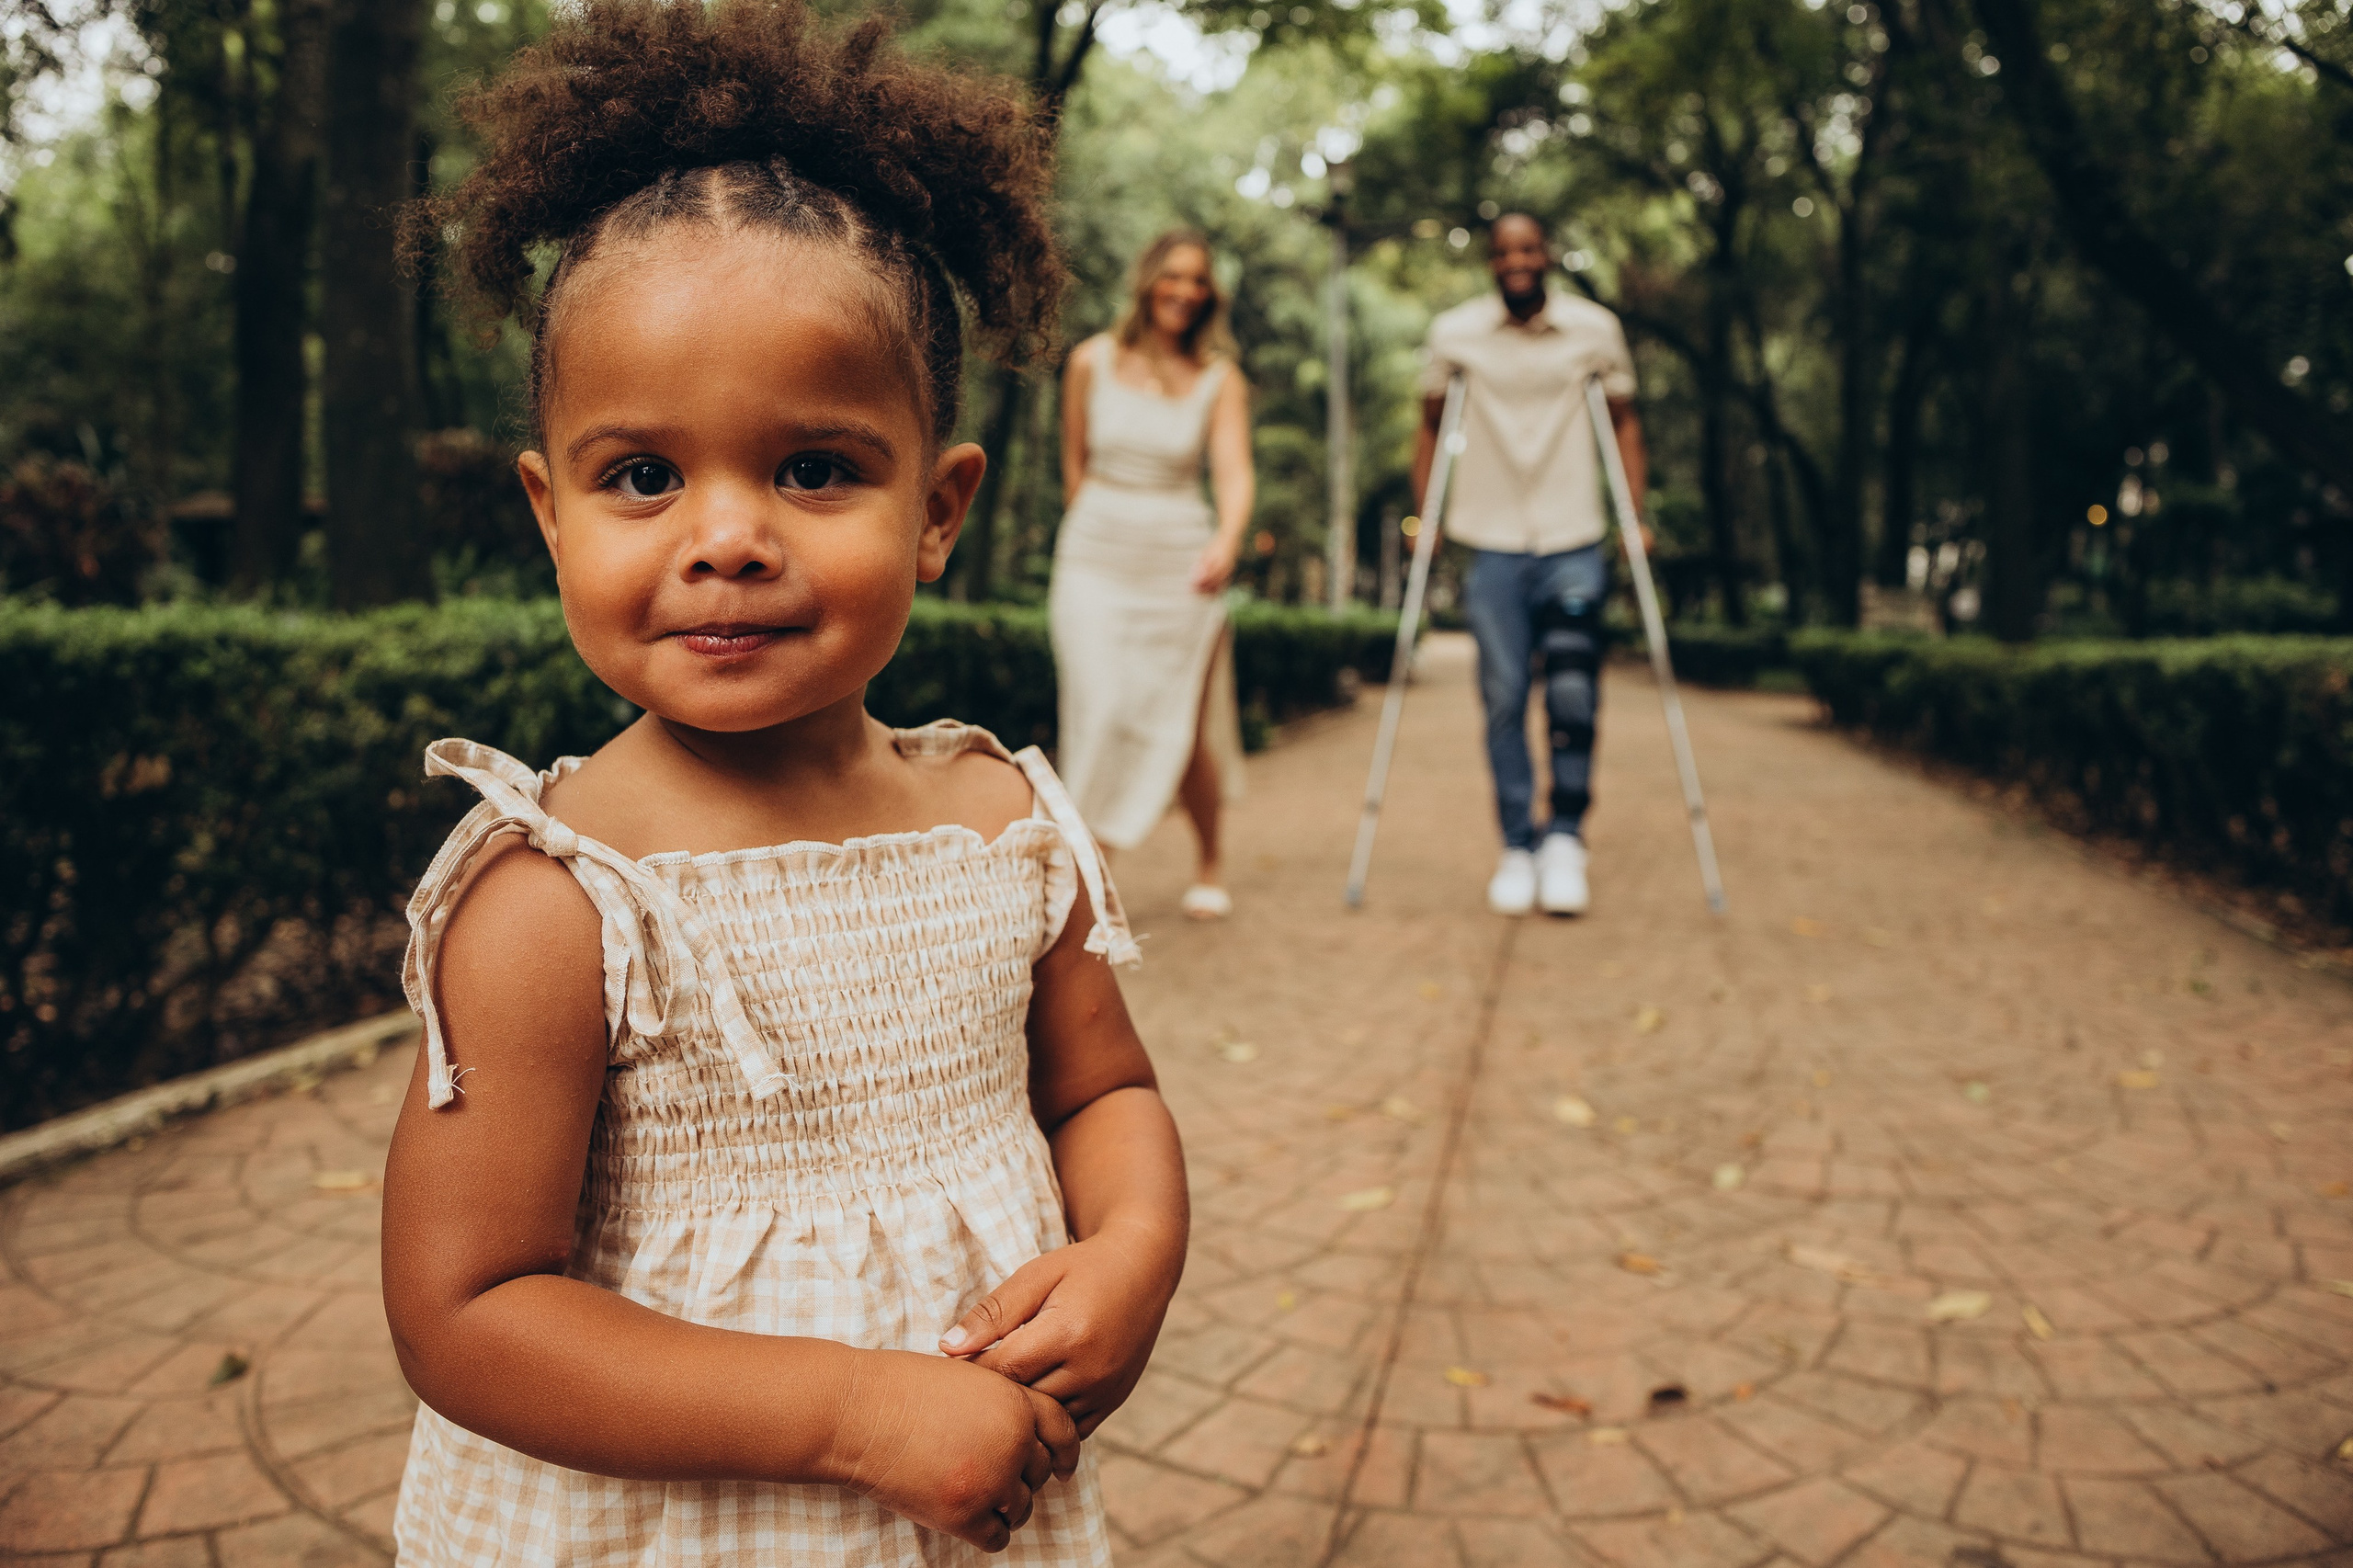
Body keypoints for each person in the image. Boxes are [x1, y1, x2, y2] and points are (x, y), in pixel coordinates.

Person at [377, 6, 1188, 1563]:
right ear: (550, 513)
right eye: (643, 476)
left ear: (939, 505)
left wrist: (1135, 1249)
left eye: (815, 467)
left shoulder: (1004, 829)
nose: (729, 534)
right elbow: (465, 1311)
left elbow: (1104, 1089)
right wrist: (854, 1414)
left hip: (971, 1501)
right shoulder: (554, 899)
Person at [1414, 211, 1647, 917]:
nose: (1517, 260)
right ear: (1492, 261)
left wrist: (1633, 514)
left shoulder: (1594, 331)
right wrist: (1422, 515)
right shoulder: (1454, 335)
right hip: (1489, 538)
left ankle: (1566, 836)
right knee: (1505, 696)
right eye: (1504, 251)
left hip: (1573, 531)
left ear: (1547, 255)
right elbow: (1427, 423)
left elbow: (1626, 421)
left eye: (1529, 248)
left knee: (1573, 690)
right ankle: (1519, 842)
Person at [1049, 231, 1253, 920]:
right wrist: (1099, 525)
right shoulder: (1090, 362)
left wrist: (1226, 539)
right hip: (1096, 557)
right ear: (1147, 281)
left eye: (1198, 281)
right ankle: (1087, 870)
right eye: (1174, 277)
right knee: (1099, 705)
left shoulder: (1221, 379)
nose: (1185, 292)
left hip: (1180, 562)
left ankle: (1210, 860)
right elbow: (1074, 463)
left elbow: (1233, 472)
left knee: (1185, 730)